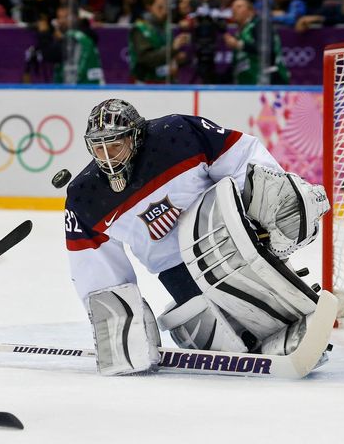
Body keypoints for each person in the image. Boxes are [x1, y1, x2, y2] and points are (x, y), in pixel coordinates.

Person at [64, 98, 330, 376]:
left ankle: (290, 323)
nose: (107, 157)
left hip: (227, 240)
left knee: (261, 301)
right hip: (174, 271)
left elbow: (242, 158)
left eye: (115, 145)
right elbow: (93, 267)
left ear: (136, 136)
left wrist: (269, 214)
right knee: (223, 342)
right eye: (98, 148)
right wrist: (121, 326)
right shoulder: (86, 196)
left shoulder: (178, 134)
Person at [224, 0, 289, 84]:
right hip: (246, 86)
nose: (234, 10)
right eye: (232, 7)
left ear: (251, 11)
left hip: (269, 83)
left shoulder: (260, 24)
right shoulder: (238, 34)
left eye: (239, 7)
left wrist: (239, 45)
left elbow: (266, 49)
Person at [128, 0, 188, 83]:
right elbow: (146, 59)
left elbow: (167, 56)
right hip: (146, 84)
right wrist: (173, 49)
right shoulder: (140, 29)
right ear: (149, 7)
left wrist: (177, 58)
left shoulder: (166, 27)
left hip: (166, 82)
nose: (165, 11)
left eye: (167, 7)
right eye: (160, 7)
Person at [36, 5, 104, 84]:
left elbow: (50, 54)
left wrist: (44, 33)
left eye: (65, 17)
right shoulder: (84, 36)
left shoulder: (73, 38)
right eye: (59, 17)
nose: (60, 21)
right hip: (91, 86)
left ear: (76, 18)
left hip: (80, 89)